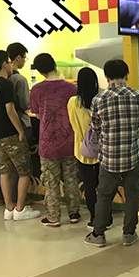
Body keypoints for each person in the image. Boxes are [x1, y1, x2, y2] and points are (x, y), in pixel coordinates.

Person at [85, 60, 139, 247]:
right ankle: (129, 233)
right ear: (127, 75)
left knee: (104, 195)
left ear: (106, 77)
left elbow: (95, 127)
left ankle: (98, 234)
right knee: (132, 194)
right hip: (133, 154)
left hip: (109, 157)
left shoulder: (99, 100)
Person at [0, 50, 41, 221]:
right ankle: (20, 208)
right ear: (4, 64)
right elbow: (10, 110)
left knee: (5, 170)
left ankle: (8, 207)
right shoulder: (6, 84)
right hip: (10, 133)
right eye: (9, 62)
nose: (11, 66)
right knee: (24, 170)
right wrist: (20, 130)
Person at [30, 53, 80, 228]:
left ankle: (53, 217)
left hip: (48, 142)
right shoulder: (71, 88)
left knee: (51, 181)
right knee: (71, 177)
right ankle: (74, 213)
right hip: (70, 140)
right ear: (54, 65)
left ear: (40, 71)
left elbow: (37, 115)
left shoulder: (36, 89)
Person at [68, 67, 108, 230]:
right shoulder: (101, 99)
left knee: (89, 186)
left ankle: (94, 219)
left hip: (82, 149)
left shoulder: (73, 102)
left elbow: (72, 124)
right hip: (102, 149)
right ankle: (107, 218)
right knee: (103, 185)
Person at [7, 42, 31, 202]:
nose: (24, 61)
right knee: (21, 165)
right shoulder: (20, 80)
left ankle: (4, 197)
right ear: (17, 58)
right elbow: (24, 104)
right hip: (21, 123)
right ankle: (19, 199)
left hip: (6, 126)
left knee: (6, 166)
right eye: (24, 58)